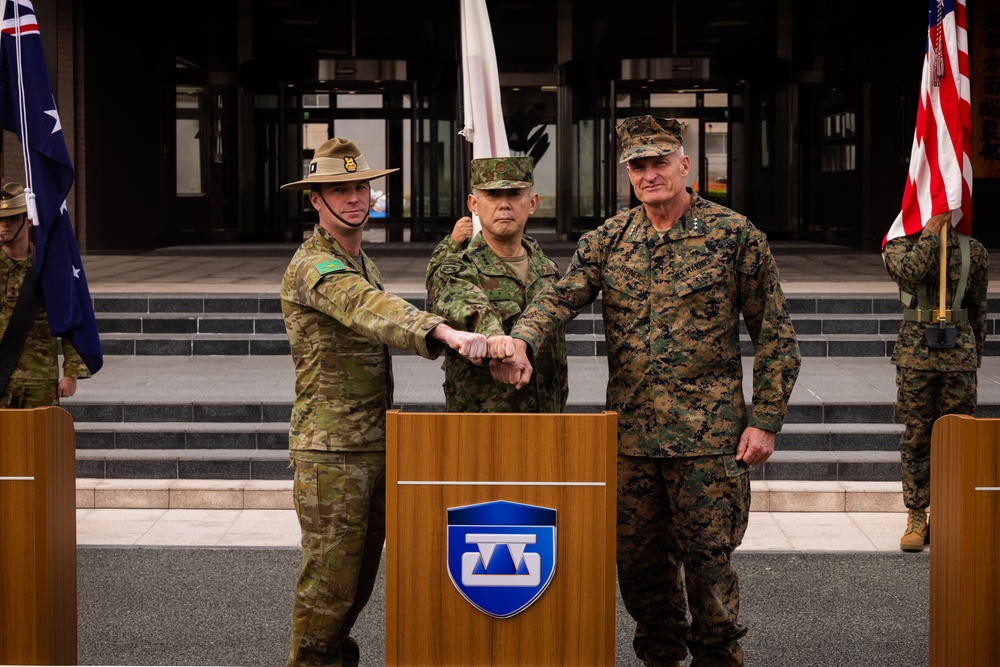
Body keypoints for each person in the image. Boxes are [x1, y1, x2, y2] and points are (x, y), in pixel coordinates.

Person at [491, 116, 801, 667]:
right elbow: (559, 299)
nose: (649, 173)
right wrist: (520, 340)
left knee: (710, 566)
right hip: (632, 441)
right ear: (627, 173)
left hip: (709, 442)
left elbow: (775, 335)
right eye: (638, 165)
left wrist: (766, 419)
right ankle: (660, 655)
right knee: (638, 565)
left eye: (660, 161)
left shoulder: (734, 236)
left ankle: (717, 655)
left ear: (685, 165)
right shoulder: (609, 240)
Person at [278, 137, 490, 667]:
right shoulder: (313, 265)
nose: (354, 197)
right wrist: (442, 331)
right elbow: (368, 308)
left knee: (356, 583)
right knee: (329, 586)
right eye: (339, 189)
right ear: (315, 201)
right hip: (331, 450)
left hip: (370, 443)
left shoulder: (359, 257)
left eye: (360, 186)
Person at [424, 156, 568, 412]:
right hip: (483, 423)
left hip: (548, 420)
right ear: (474, 204)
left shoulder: (547, 269)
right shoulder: (456, 267)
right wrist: (495, 339)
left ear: (532, 203)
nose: (504, 205)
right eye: (492, 195)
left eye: (514, 194)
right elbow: (465, 304)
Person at [882, 212, 989, 552]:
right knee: (917, 435)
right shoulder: (898, 247)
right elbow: (911, 273)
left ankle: (949, 512)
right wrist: (930, 232)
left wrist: (976, 354)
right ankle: (917, 515)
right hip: (916, 354)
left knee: (959, 437)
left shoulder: (975, 251)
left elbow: (978, 307)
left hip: (959, 354)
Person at [0, 181, 89, 407]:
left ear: (28, 220)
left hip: (39, 379)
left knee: (40, 442)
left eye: (12, 218)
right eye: (1, 219)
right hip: (1, 378)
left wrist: (71, 372)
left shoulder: (49, 267)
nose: (5, 225)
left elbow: (69, 316)